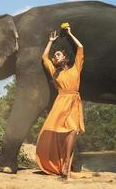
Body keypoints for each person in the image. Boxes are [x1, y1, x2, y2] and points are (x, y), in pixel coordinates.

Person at [36, 25, 85, 180]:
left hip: (74, 102)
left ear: (65, 57)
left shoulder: (76, 68)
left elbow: (81, 48)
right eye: (54, 57)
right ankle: (62, 167)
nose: (55, 57)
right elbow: (44, 57)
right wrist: (50, 42)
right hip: (61, 102)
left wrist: (70, 33)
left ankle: (66, 167)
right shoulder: (55, 72)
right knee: (60, 133)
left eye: (57, 55)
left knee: (72, 132)